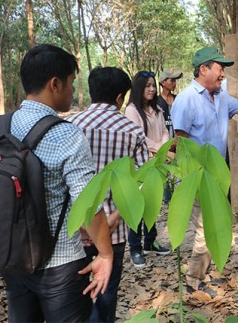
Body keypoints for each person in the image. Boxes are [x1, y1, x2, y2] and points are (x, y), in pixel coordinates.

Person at [0, 44, 113, 321]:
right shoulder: (66, 135)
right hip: (60, 265)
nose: (73, 90)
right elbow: (88, 205)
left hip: (11, 256)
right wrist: (106, 254)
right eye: (72, 82)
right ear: (55, 84)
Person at [171, 46, 238, 297]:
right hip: (197, 176)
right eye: (219, 69)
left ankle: (202, 273)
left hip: (218, 174)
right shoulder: (186, 99)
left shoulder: (221, 98)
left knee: (213, 227)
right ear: (203, 69)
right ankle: (194, 281)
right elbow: (179, 143)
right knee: (204, 230)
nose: (223, 74)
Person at [68, 67, 149, 322]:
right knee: (107, 291)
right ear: (119, 98)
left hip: (76, 229)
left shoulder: (70, 126)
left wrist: (84, 223)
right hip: (115, 229)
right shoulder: (133, 131)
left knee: (77, 292)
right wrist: (114, 218)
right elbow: (142, 182)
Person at [124, 71, 171, 267]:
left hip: (157, 164)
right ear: (138, 88)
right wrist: (160, 148)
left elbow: (165, 131)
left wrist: (164, 148)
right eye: (147, 86)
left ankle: (150, 242)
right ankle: (135, 248)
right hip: (140, 166)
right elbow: (139, 137)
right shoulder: (132, 111)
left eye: (153, 85)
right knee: (138, 207)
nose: (151, 89)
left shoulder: (157, 108)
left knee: (153, 205)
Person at [157, 68, 183, 203]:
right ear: (163, 82)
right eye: (171, 81)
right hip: (163, 142)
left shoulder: (178, 100)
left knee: (179, 170)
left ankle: (179, 197)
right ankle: (166, 198)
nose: (174, 83)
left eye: (175, 81)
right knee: (164, 169)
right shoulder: (156, 102)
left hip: (179, 141)